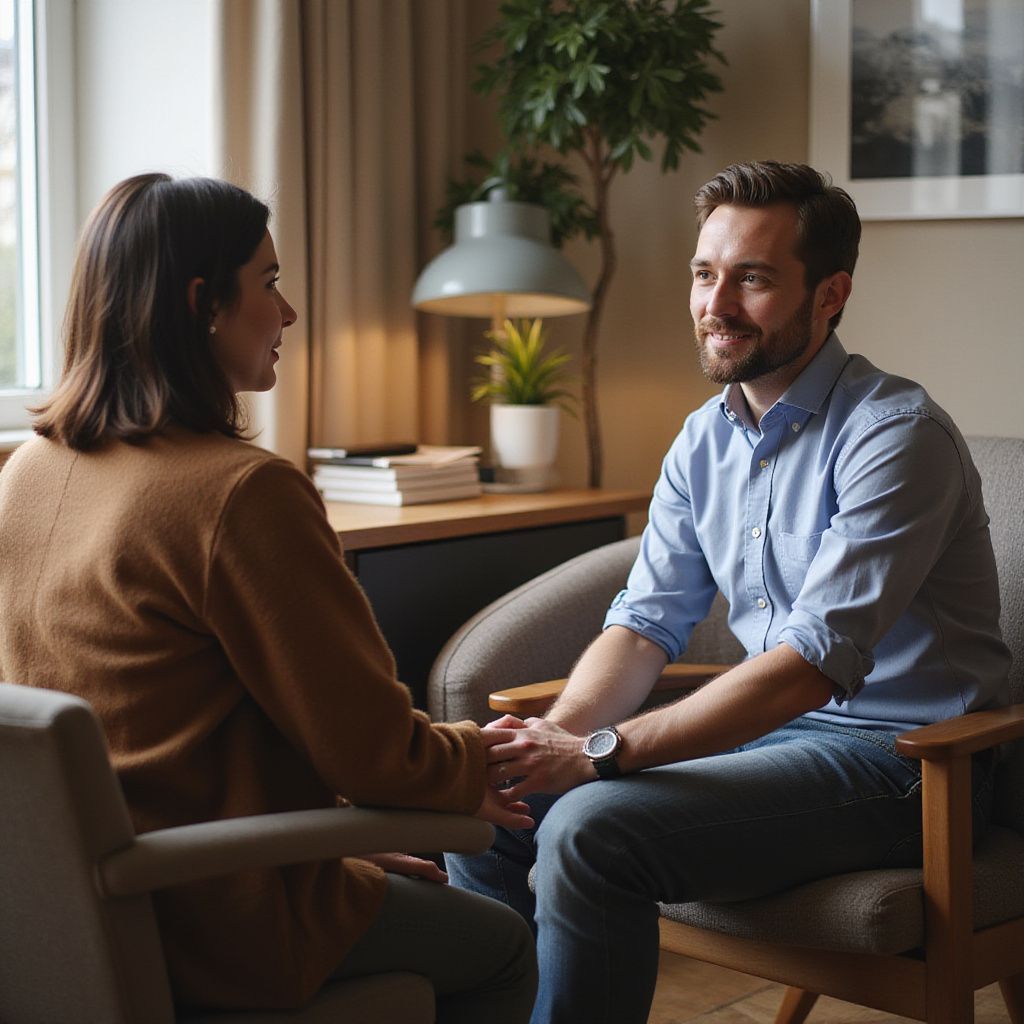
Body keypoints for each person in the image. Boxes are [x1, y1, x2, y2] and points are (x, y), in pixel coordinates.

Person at [445, 160, 1012, 1024]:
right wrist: (557, 737)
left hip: (906, 768)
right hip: (771, 745)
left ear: (830, 295)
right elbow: (642, 626)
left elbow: (808, 668)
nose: (716, 304)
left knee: (588, 828)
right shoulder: (703, 439)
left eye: (752, 278)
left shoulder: (896, 437)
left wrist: (599, 754)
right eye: (705, 274)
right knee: (495, 793)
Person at [0, 173, 537, 1021]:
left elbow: (148, 721)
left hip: (63, 905)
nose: (287, 315)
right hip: (217, 917)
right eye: (271, 284)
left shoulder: (27, 469)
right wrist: (477, 759)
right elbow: (372, 752)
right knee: (504, 946)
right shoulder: (240, 495)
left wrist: (332, 849)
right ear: (203, 301)